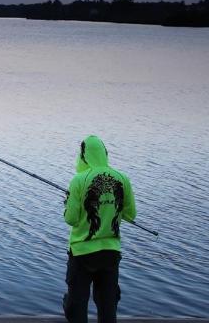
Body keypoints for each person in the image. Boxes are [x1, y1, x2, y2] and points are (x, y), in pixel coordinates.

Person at [63, 135, 136, 323]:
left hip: (82, 253)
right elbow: (130, 215)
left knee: (77, 307)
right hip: (110, 253)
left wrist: (68, 202)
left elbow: (71, 219)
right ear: (105, 153)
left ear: (84, 155)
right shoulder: (122, 178)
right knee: (107, 307)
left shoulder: (78, 180)